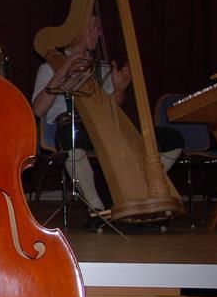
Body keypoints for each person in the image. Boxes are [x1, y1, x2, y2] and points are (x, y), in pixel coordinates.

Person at [31, 14, 183, 228]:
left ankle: (137, 189)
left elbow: (112, 112)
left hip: (101, 132)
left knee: (171, 139)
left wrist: (119, 89)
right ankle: (98, 211)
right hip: (69, 129)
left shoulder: (101, 68)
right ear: (78, 31)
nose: (99, 33)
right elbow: (38, 109)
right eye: (94, 27)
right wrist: (65, 68)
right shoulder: (49, 67)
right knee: (71, 137)